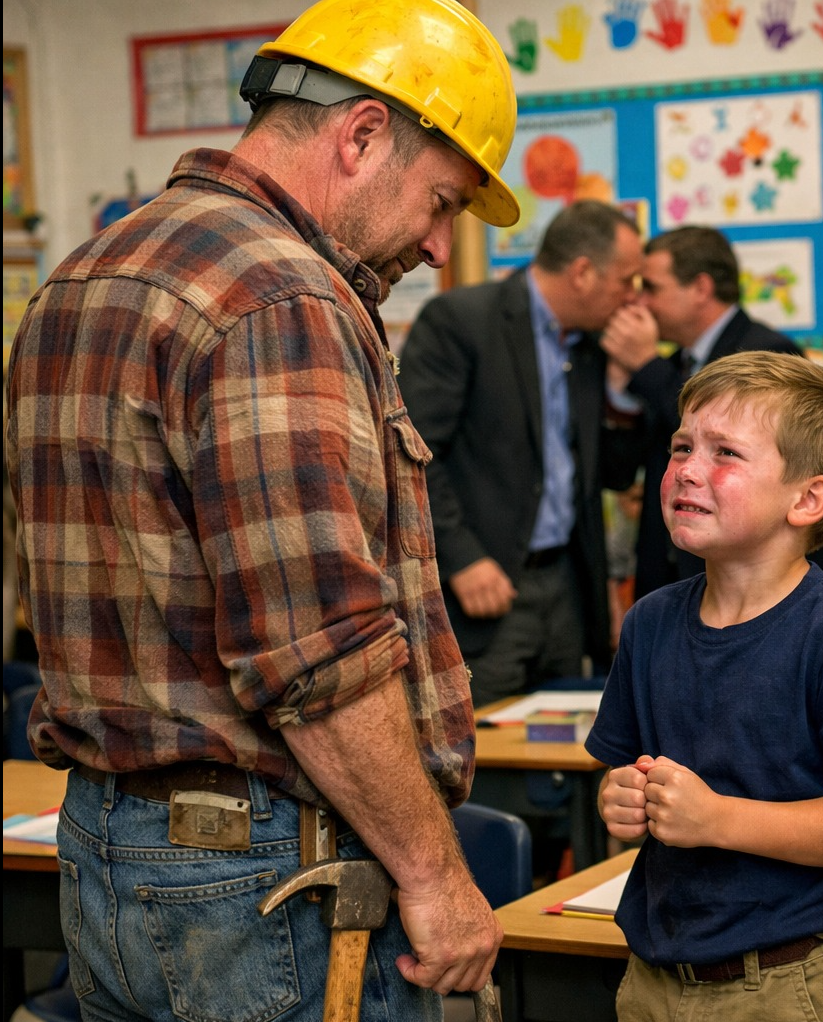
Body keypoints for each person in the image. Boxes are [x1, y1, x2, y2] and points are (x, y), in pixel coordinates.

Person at [5, 2, 519, 1020]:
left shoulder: (78, 277)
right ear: (363, 132)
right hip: (258, 883)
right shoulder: (283, 297)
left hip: (104, 849)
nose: (433, 239)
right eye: (440, 200)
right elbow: (315, 654)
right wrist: (435, 874)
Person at [585, 351, 823, 1022]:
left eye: (725, 454)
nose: (685, 468)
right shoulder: (650, 621)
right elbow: (622, 770)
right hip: (658, 979)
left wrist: (716, 820)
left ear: (807, 499)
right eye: (682, 446)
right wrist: (618, 797)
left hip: (799, 983)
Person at [399, 200, 647, 708]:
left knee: (568, 751)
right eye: (626, 281)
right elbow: (413, 454)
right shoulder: (462, 321)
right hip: (484, 593)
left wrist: (624, 390)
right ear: (582, 272)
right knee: (483, 754)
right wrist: (462, 558)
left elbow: (614, 474)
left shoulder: (593, 347)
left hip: (566, 593)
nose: (631, 299)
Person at [599, 224, 823, 599]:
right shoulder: (670, 365)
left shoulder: (769, 351)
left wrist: (647, 366)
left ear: (700, 288)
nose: (638, 303)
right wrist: (622, 384)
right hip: (671, 585)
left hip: (758, 596)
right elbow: (617, 471)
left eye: (651, 288)